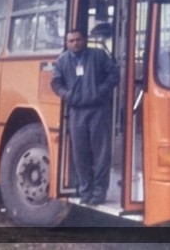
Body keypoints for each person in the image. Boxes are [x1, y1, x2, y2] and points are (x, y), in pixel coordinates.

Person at [51, 29, 120, 205]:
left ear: (85, 40)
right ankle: (85, 192)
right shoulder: (63, 60)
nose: (75, 43)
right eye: (71, 41)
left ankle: (98, 194)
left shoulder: (98, 55)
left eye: (78, 39)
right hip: (76, 112)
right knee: (80, 154)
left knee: (101, 154)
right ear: (67, 43)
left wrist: (100, 92)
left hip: (98, 110)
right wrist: (68, 95)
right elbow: (55, 83)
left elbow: (114, 75)